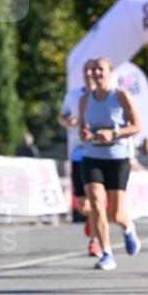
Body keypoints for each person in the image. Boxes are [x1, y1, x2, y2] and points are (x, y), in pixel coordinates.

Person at [79, 57, 141, 270]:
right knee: (96, 203)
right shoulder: (85, 99)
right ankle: (107, 253)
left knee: (116, 214)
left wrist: (113, 133)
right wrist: (86, 133)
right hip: (91, 157)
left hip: (117, 159)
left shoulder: (121, 95)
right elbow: (81, 129)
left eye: (100, 69)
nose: (96, 73)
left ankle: (128, 228)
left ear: (110, 72)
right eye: (93, 69)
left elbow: (136, 126)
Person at [58, 59, 98, 256]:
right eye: (87, 72)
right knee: (83, 205)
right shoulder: (73, 96)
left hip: (100, 154)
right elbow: (61, 116)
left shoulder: (107, 96)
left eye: (94, 71)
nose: (90, 75)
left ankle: (96, 241)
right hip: (78, 154)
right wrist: (67, 121)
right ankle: (94, 219)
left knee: (96, 199)